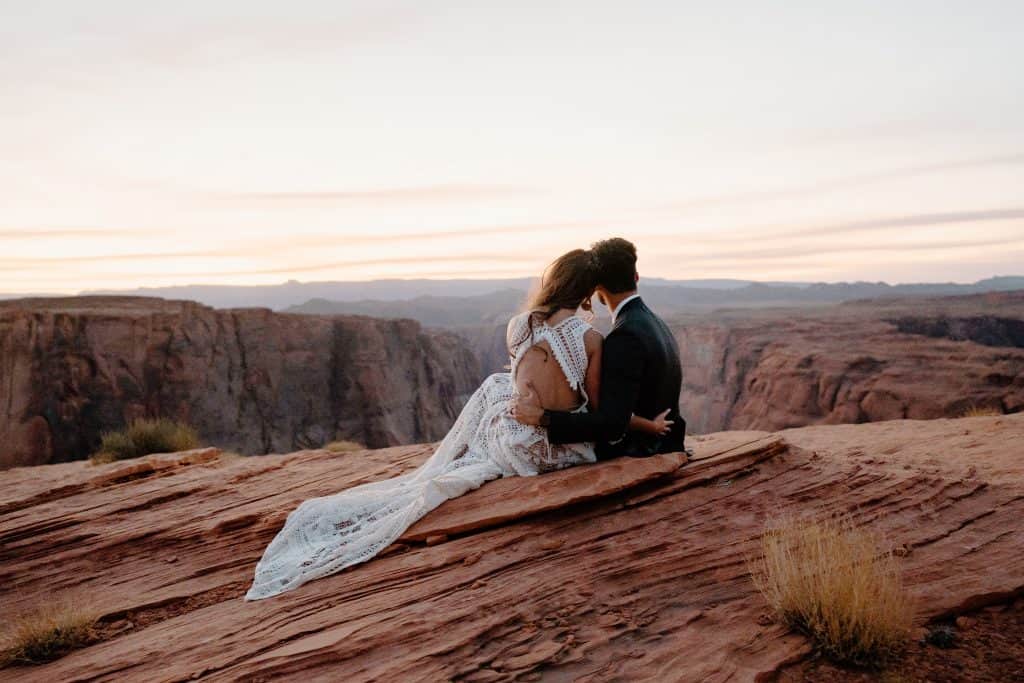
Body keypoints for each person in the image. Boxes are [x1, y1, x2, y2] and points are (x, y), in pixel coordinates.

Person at [245, 247, 670, 600]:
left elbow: (526, 381)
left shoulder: (518, 325)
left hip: (513, 438)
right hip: (550, 450)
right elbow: (598, 415)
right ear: (587, 293)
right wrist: (644, 426)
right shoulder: (590, 338)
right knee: (501, 391)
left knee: (496, 387)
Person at [513, 237, 686, 459]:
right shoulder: (655, 322)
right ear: (636, 277)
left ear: (597, 287)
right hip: (666, 443)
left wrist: (543, 417)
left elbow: (612, 424)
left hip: (641, 452)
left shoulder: (625, 337)